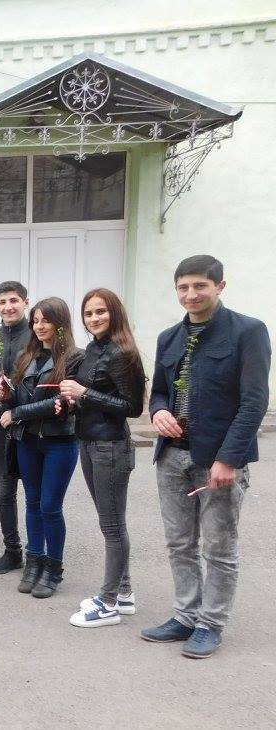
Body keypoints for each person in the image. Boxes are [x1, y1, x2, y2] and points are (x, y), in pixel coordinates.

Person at [141, 255, 270, 658]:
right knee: (179, 544)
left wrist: (229, 459)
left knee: (218, 548)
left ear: (220, 286)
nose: (191, 294)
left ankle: (211, 623)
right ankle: (185, 616)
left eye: (200, 286)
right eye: (183, 287)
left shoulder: (248, 332)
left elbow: (254, 402)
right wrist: (158, 412)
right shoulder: (169, 337)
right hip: (172, 458)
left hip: (218, 461)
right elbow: (160, 391)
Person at [58, 290, 145, 628]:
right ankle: (124, 593)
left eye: (101, 312)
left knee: (112, 526)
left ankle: (108, 603)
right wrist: (72, 399)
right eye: (88, 313)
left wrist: (84, 393)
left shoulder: (123, 352)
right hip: (89, 441)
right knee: (110, 523)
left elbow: (132, 407)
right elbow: (94, 397)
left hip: (111, 446)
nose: (94, 318)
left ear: (115, 313)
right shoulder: (94, 348)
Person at [0, 298, 83, 598]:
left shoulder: (75, 358)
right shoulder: (26, 356)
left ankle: (53, 569)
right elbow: (18, 397)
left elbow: (61, 403)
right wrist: (4, 394)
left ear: (61, 323)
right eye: (36, 321)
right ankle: (34, 562)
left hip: (60, 441)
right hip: (28, 440)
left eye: (46, 320)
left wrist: (16, 413)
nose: (39, 326)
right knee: (32, 502)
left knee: (50, 506)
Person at [0, 282, 33, 574]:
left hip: (31, 425)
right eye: (2, 302)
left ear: (26, 301)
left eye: (14, 300)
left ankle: (38, 554)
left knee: (35, 494)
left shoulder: (36, 334)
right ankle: (12, 551)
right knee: (4, 491)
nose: (8, 307)